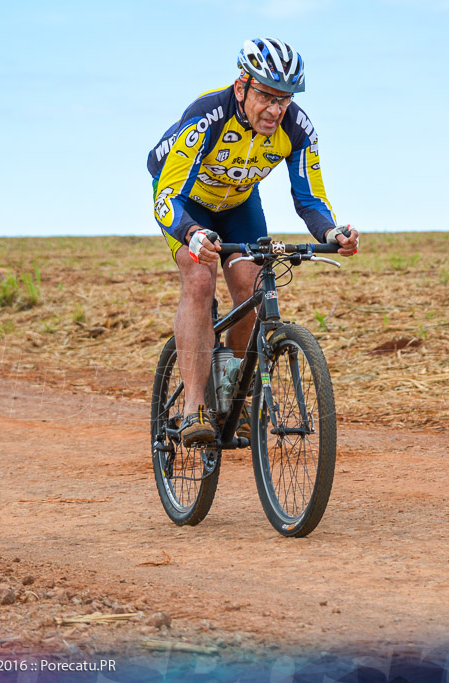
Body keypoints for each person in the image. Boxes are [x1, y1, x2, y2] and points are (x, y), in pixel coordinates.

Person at [147, 37, 359, 447]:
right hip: (185, 200)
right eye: (266, 96)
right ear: (242, 87)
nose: (276, 110)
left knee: (252, 284)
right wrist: (191, 233)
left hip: (239, 203)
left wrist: (332, 233)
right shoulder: (206, 116)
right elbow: (166, 198)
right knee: (200, 279)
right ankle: (192, 409)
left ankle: (233, 389)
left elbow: (310, 196)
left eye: (284, 99)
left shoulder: (297, 128)